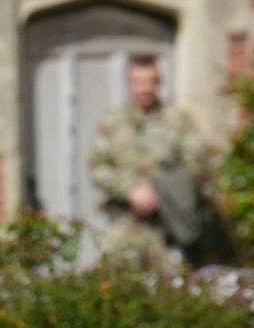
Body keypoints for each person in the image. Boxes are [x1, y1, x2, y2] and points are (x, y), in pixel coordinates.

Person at [88, 54, 212, 270]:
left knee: (173, 289)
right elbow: (98, 167)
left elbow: (197, 166)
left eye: (150, 82)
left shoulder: (178, 121)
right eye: (138, 82)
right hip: (125, 221)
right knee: (115, 286)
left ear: (158, 83)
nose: (144, 88)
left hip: (168, 224)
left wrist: (160, 192)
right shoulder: (112, 121)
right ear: (129, 84)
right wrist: (130, 191)